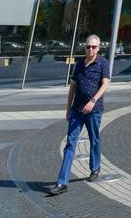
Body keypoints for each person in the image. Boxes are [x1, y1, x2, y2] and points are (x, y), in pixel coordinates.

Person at [47, 34, 111, 196]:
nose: (90, 49)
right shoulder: (79, 64)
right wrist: (68, 108)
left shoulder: (102, 63)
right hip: (77, 110)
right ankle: (62, 182)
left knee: (94, 139)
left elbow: (105, 84)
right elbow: (73, 87)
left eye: (93, 47)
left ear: (99, 48)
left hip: (93, 110)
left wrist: (93, 101)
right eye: (88, 46)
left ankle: (95, 168)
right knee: (70, 144)